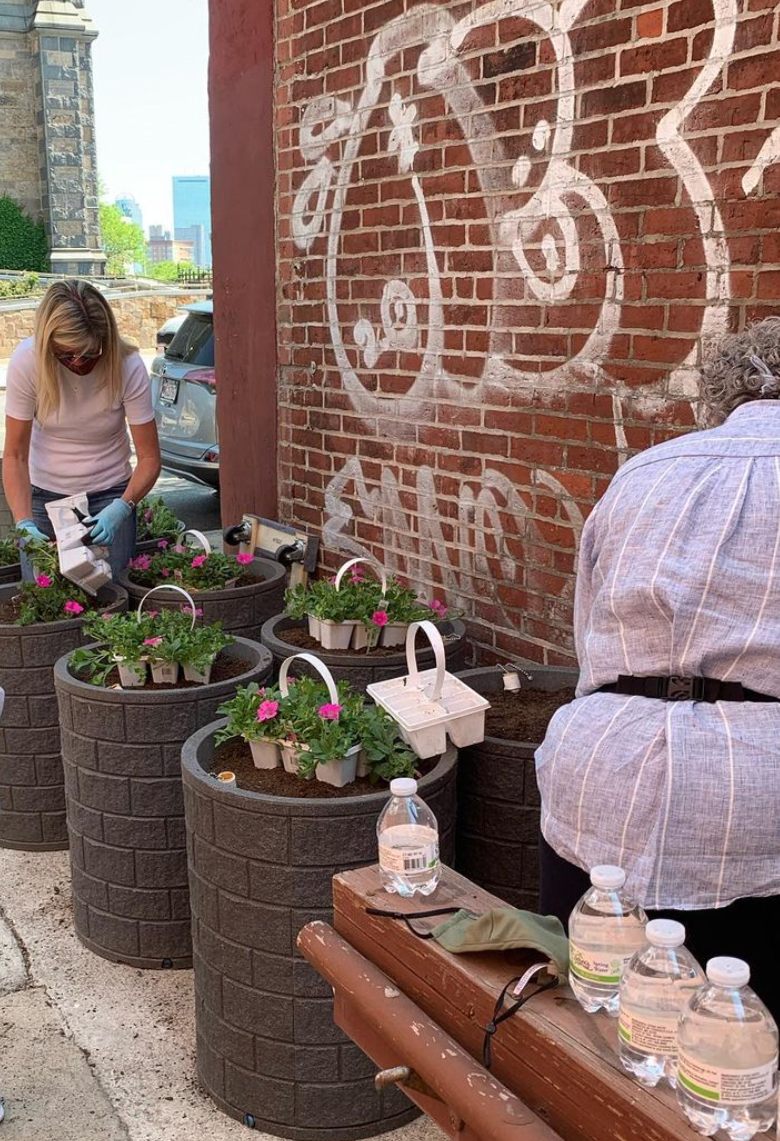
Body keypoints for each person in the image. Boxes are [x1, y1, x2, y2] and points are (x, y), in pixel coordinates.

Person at [536, 317, 780, 1022]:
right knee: (742, 1044)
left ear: (723, 393)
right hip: (753, 798)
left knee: (588, 1019)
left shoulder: (647, 470)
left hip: (599, 767)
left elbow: (592, 632)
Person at [2, 280, 161, 577]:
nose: (78, 362)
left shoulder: (127, 366)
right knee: (45, 604)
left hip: (110, 495)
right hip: (44, 497)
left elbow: (150, 458)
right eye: (65, 354)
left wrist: (122, 507)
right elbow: (14, 456)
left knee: (112, 598)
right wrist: (23, 521)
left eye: (90, 354)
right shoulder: (28, 362)